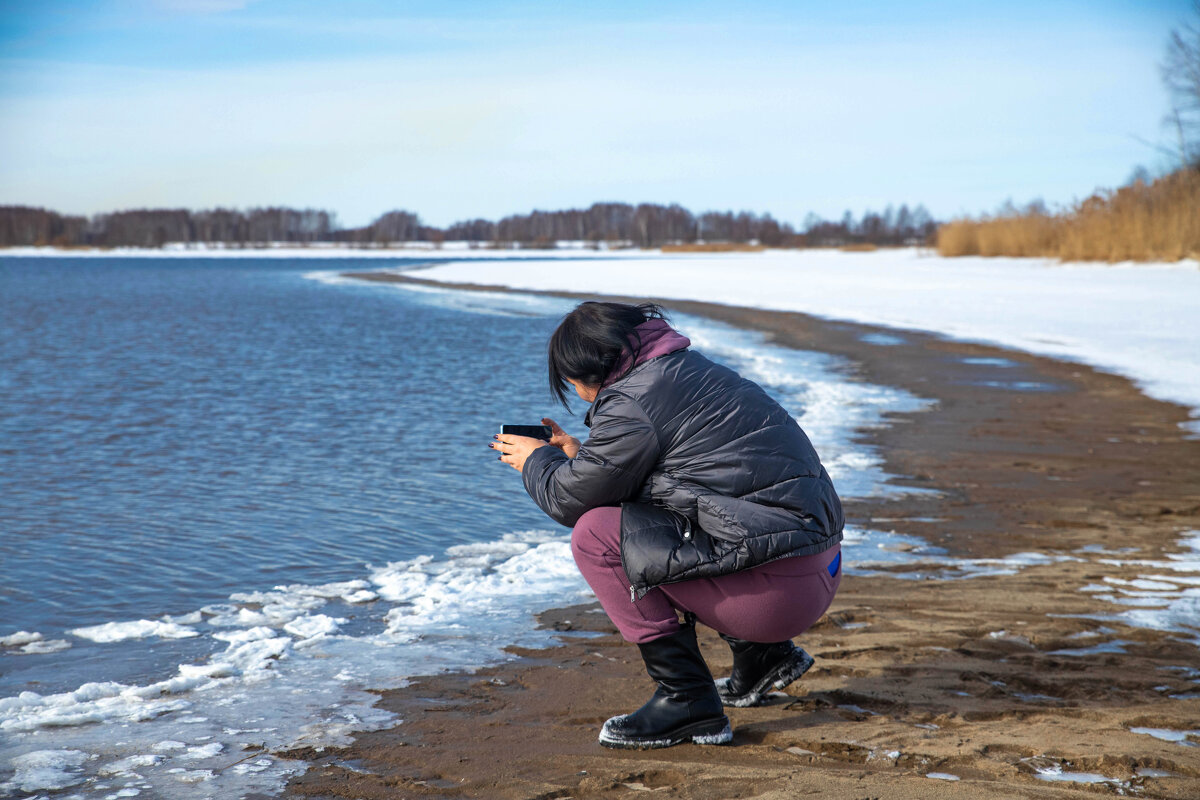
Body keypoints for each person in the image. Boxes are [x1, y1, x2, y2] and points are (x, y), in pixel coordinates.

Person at [491, 301, 843, 750]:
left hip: (776, 595)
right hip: (818, 570)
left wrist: (534, 460)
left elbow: (567, 502)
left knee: (594, 537)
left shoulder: (633, 402)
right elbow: (677, 486)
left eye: (569, 382)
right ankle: (763, 659)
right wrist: (582, 457)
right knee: (672, 524)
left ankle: (688, 701)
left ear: (584, 374)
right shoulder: (687, 370)